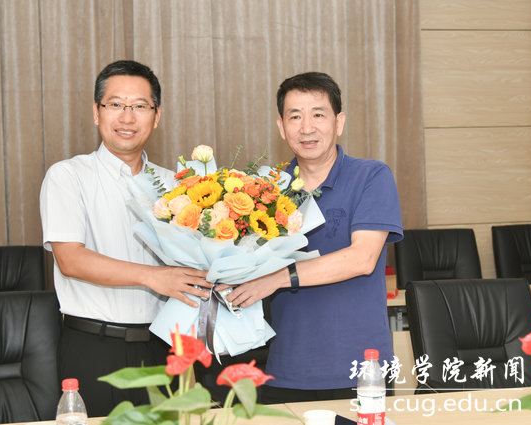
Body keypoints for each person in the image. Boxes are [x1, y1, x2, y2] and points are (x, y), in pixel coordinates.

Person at [39, 60, 211, 416]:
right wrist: (154, 277)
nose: (127, 117)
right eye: (116, 104)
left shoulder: (177, 186)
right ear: (96, 112)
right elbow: (70, 260)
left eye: (140, 106)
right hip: (94, 347)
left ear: (156, 116)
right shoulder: (68, 176)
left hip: (162, 346)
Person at [222, 71, 403, 403]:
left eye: (318, 114)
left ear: (339, 122)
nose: (307, 128)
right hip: (286, 368)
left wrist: (276, 279)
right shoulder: (265, 190)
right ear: (281, 127)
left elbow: (362, 259)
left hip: (361, 367)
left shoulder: (371, 176)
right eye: (295, 117)